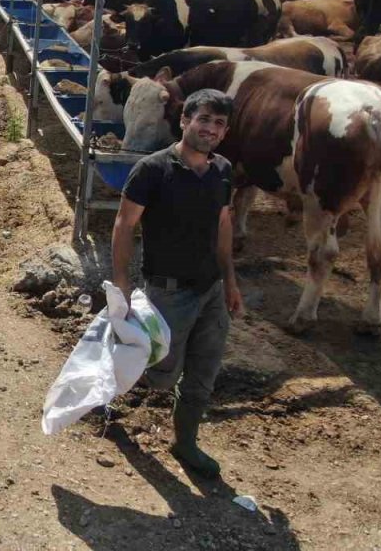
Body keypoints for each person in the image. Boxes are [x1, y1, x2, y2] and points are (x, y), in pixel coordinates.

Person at [111, 88, 244, 479]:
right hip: (167, 291)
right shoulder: (153, 169)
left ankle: (185, 442)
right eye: (203, 119)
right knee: (159, 373)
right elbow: (124, 224)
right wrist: (121, 282)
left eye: (219, 124)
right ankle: (107, 394)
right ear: (184, 121)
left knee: (204, 371)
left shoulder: (222, 170)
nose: (211, 129)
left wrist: (231, 281)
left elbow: (223, 224)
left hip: (211, 290)